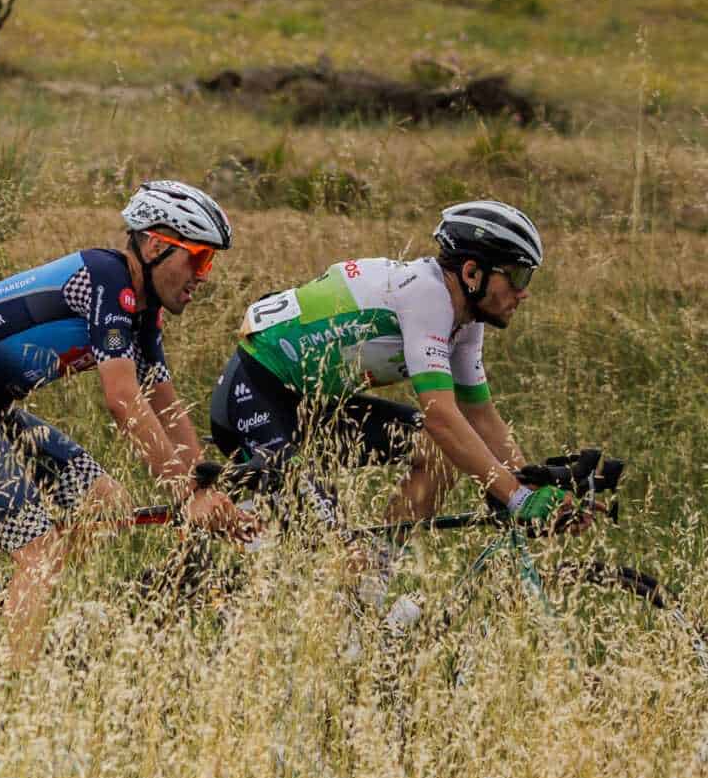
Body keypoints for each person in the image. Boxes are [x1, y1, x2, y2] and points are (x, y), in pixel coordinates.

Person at [0, 182, 254, 664]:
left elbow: (165, 405)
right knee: (39, 552)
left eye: (210, 263)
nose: (204, 276)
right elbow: (123, 400)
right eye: (199, 258)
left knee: (107, 503)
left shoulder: (142, 313)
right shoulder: (106, 280)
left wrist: (209, 489)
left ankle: (1, 618)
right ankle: (10, 691)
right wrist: (187, 494)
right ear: (156, 246)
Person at [209, 200, 566, 606]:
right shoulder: (427, 295)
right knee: (341, 557)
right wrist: (515, 497)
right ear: (472, 273)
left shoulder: (465, 320)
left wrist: (530, 483)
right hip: (255, 395)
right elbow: (441, 415)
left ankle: (369, 592)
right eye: (517, 276)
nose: (524, 292)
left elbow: (480, 415)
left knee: (437, 456)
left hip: (312, 407)